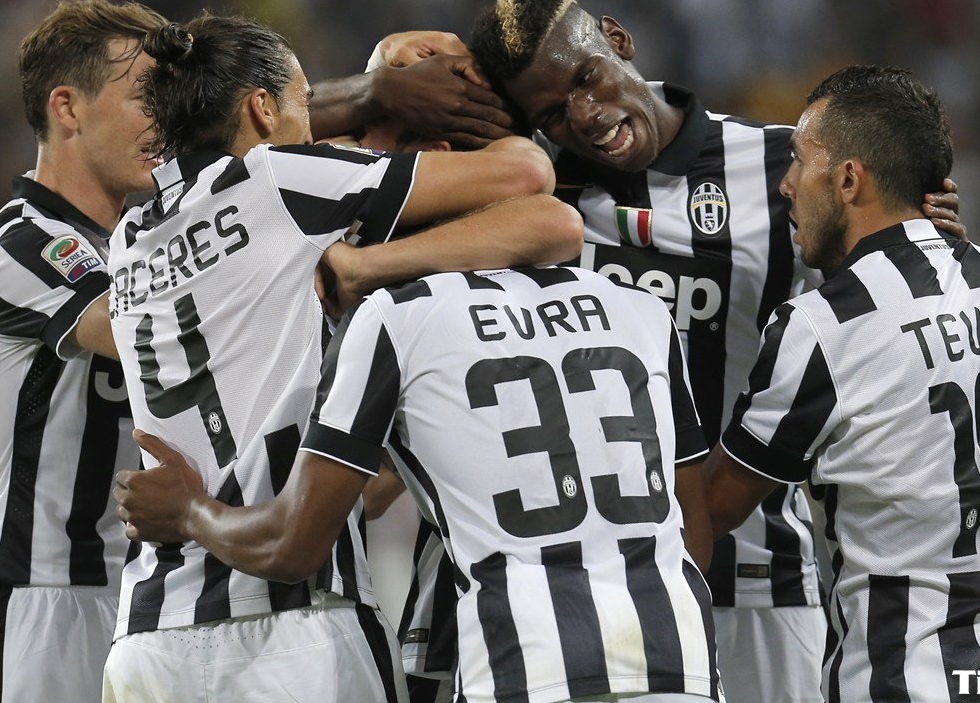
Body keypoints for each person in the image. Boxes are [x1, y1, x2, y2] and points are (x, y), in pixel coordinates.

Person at [466, 0, 965, 703]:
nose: (586, 115)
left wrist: (927, 229)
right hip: (594, 590)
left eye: (586, 78)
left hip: (760, 579)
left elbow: (899, 290)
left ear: (617, 40)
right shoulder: (530, 193)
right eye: (552, 112)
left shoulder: (784, 167)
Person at [102, 14, 583, 702]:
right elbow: (528, 174)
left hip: (149, 636)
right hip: (287, 632)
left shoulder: (129, 234)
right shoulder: (281, 179)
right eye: (304, 104)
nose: (321, 130)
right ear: (261, 108)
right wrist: (413, 96)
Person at [116, 263, 722, 703]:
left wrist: (189, 510)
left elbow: (291, 547)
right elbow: (694, 531)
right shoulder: (639, 307)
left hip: (525, 665)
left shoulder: (397, 315)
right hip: (681, 658)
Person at [706, 65, 980, 702]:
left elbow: (711, 510)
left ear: (848, 179)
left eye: (799, 160)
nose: (785, 184)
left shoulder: (821, 327)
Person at [0, 0, 166, 703]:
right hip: (32, 615)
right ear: (67, 108)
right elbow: (137, 330)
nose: (165, 120)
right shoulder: (21, 243)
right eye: (145, 96)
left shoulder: (136, 248)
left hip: (132, 607)